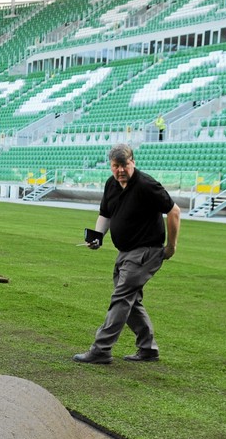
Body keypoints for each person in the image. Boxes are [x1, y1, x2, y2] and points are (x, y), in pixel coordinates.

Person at [73, 143, 180, 365]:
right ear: (111, 166)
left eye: (124, 165)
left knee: (121, 298)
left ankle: (101, 349)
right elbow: (106, 214)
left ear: (133, 162)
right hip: (126, 251)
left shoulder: (146, 184)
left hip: (146, 250)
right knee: (130, 300)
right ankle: (148, 348)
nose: (120, 170)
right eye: (116, 166)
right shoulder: (111, 184)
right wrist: (97, 236)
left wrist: (171, 246)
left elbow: (174, 211)